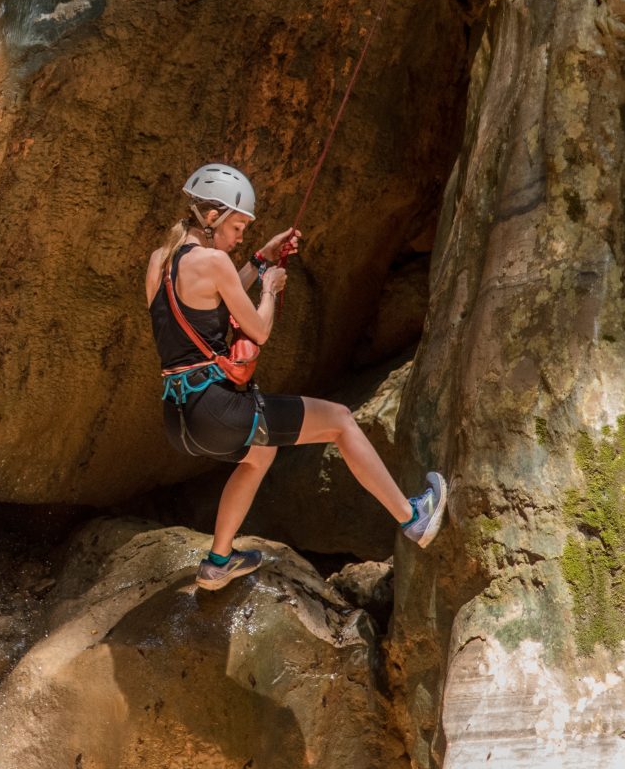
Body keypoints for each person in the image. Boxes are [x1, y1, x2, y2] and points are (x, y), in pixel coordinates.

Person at [146, 162, 449, 589]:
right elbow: (259, 329)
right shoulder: (214, 261)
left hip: (180, 418)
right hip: (218, 408)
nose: (240, 236)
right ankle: (412, 518)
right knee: (341, 420)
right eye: (237, 226)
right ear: (211, 217)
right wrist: (269, 288)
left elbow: (208, 303)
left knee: (260, 454)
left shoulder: (161, 261)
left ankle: (218, 562)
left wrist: (259, 259)